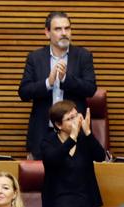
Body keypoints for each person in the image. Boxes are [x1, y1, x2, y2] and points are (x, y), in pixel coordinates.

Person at [18, 11, 97, 158]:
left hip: (75, 132)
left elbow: (90, 88)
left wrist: (66, 79)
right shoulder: (35, 58)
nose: (64, 33)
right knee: (40, 179)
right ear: (47, 33)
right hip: (43, 133)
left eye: (67, 28)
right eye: (58, 29)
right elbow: (23, 92)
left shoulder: (83, 56)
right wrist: (49, 82)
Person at [40, 99, 107, 207]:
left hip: (85, 203)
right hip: (58, 204)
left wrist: (88, 132)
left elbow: (100, 156)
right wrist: (72, 138)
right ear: (59, 125)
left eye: (76, 115)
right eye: (70, 118)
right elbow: (53, 160)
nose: (76, 120)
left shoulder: (85, 139)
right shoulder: (48, 142)